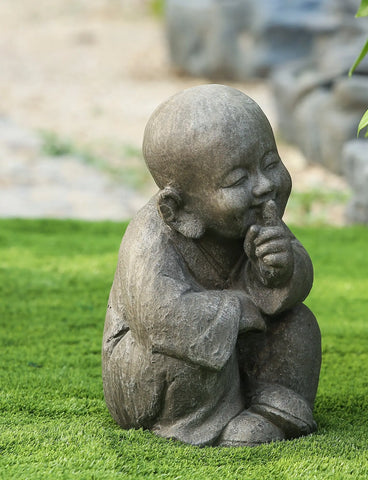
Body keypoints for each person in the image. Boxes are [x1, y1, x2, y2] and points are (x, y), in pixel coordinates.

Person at [102, 84, 321, 447]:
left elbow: (295, 283)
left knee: (297, 322)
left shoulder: (256, 221)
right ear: (180, 209)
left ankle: (273, 409)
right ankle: (205, 425)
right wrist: (242, 309)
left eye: (271, 163)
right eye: (238, 180)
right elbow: (161, 320)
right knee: (188, 355)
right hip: (153, 368)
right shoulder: (150, 238)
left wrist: (280, 270)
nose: (265, 185)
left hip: (232, 338)